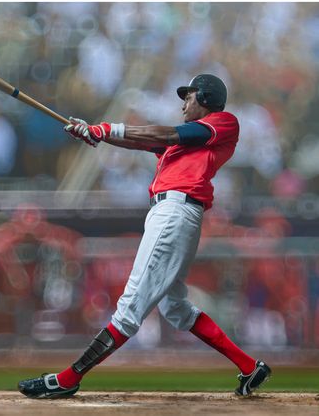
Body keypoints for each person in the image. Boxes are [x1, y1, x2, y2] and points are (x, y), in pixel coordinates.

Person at [18, 74, 272, 399]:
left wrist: (106, 130)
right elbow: (143, 140)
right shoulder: (184, 144)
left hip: (175, 212)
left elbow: (164, 133)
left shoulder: (223, 122)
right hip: (173, 213)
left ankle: (68, 378)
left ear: (206, 97)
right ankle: (250, 367)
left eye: (190, 96)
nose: (184, 103)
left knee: (130, 307)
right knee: (175, 307)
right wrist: (92, 132)